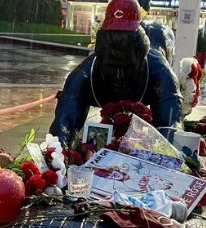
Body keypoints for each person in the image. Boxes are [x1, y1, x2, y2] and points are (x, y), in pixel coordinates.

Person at [49, 0, 182, 147]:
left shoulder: (160, 72)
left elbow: (170, 131)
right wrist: (60, 152)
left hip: (158, 45)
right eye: (112, 67)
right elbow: (62, 127)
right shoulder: (84, 74)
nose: (119, 76)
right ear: (100, 57)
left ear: (141, 58)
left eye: (127, 68)